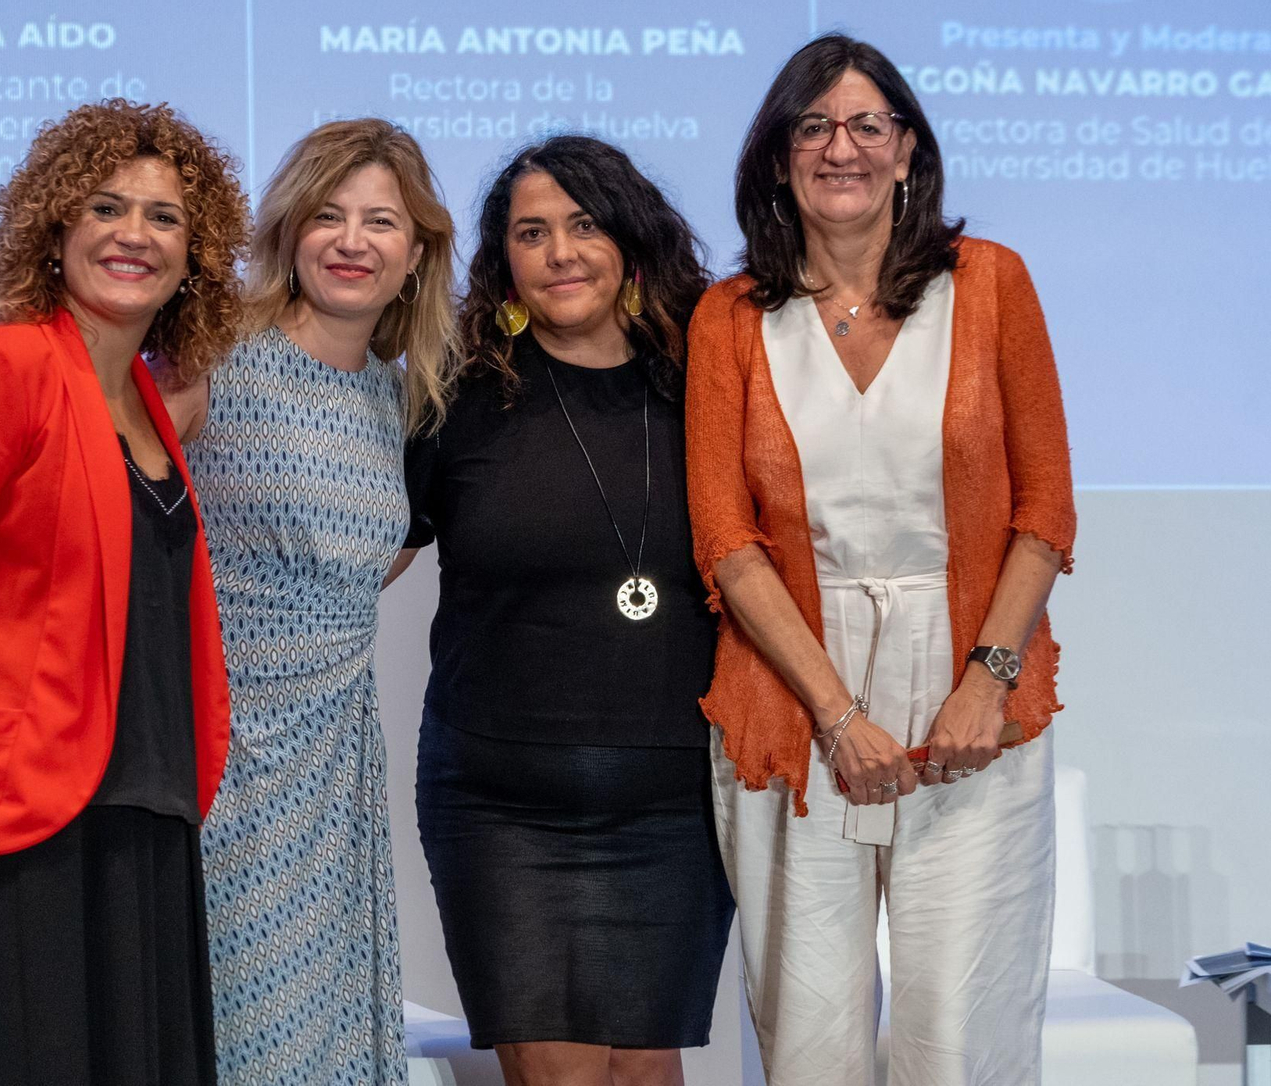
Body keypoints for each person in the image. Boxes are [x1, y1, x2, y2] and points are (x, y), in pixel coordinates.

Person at [685, 35, 1076, 1086]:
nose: (840, 148)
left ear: (908, 149)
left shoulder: (989, 284)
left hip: (971, 705)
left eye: (867, 124)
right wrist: (837, 716)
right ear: (776, 158)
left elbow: (1043, 509)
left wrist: (984, 684)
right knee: (809, 1042)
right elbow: (725, 541)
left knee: (962, 1035)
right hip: (791, 702)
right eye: (811, 127)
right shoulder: (729, 318)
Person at [0, 100, 250, 1086]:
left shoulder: (150, 402)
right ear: (55, 226)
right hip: (13, 813)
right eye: (106, 207)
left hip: (142, 815)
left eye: (163, 218)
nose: (132, 235)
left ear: (194, 255)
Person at [400, 135, 733, 1086]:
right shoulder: (454, 394)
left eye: (584, 225)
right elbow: (369, 554)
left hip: (672, 806)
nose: (560, 252)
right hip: (501, 807)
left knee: (646, 1072)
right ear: (503, 260)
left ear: (630, 239)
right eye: (531, 232)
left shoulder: (705, 384)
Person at [165, 118, 457, 1085]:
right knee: (242, 1036)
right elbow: (120, 518)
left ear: (415, 255)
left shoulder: (399, 397)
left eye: (381, 221)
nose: (352, 240)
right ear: (290, 231)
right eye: (328, 215)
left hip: (335, 769)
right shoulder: (215, 356)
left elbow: (365, 563)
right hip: (221, 763)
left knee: (325, 1043)